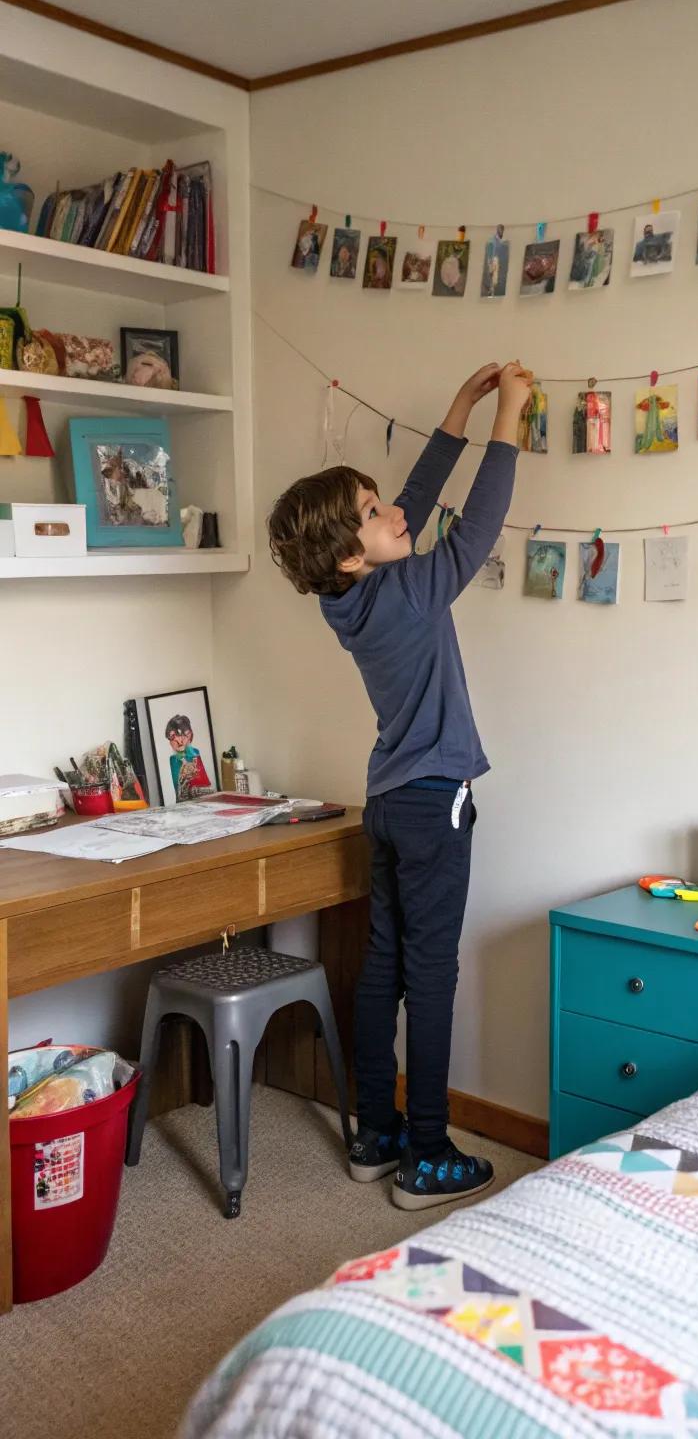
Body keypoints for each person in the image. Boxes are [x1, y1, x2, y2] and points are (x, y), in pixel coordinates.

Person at [267, 361, 530, 1209]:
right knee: (435, 974)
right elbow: (476, 525)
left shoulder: (344, 599)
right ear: (353, 551)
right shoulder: (413, 590)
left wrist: (457, 406)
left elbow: (412, 508)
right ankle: (427, 1153)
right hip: (432, 803)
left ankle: (373, 1132)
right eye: (376, 514)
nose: (396, 514)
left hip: (386, 802)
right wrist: (509, 419)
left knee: (383, 968)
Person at [164, 715, 211, 800]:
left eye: (181, 735)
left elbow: (205, 783)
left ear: (189, 735)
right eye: (172, 737)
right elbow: (179, 790)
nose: (178, 741)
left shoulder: (195, 753)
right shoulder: (174, 759)